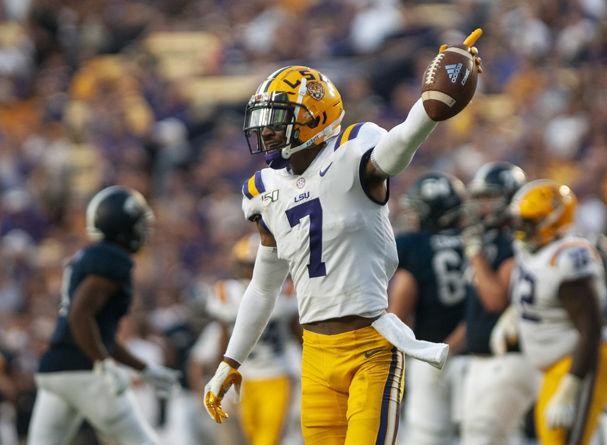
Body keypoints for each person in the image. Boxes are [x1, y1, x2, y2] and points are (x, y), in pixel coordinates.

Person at [204, 44, 483, 444]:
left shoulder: (354, 151)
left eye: (277, 120)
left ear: (313, 118)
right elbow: (263, 287)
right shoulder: (264, 190)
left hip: (370, 345)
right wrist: (230, 362)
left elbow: (403, 141)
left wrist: (431, 105)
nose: (265, 131)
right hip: (315, 355)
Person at [27, 186, 180, 445]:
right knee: (142, 441)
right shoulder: (113, 259)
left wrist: (143, 369)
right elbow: (79, 315)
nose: (144, 230)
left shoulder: (91, 255)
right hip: (85, 370)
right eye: (138, 223)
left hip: (55, 370)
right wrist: (103, 362)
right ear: (122, 225)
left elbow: (98, 331)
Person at [499, 179, 607, 445]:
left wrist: (572, 385)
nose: (520, 229)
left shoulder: (568, 258)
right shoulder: (533, 250)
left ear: (551, 221)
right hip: (558, 364)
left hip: (584, 360)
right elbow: (540, 293)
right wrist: (514, 315)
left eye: (528, 222)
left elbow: (592, 327)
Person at [460, 162, 540, 444]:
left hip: (509, 358)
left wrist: (474, 253)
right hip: (484, 359)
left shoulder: (515, 240)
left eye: (489, 197)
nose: (482, 206)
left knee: (484, 436)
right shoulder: (492, 238)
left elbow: (495, 300)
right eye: (479, 198)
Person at [193, 233, 299, 445]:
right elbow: (223, 339)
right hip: (244, 378)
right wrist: (219, 377)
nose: (250, 273)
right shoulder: (225, 293)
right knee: (252, 437)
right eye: (246, 266)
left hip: (276, 374)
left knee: (268, 440)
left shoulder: (284, 291)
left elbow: (298, 333)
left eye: (254, 266)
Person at [389, 173, 468, 444]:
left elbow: (401, 301)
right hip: (475, 348)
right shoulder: (474, 240)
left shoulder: (414, 245)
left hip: (429, 352)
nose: (412, 216)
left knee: (426, 435)